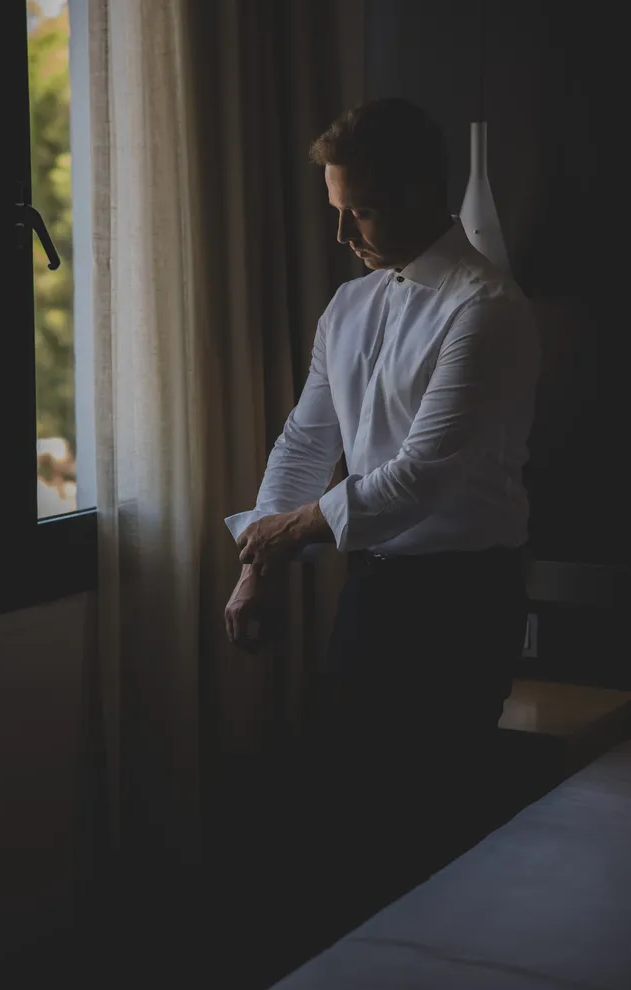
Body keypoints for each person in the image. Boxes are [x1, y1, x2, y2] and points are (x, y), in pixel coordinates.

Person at [223, 97, 541, 897]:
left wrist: (288, 532)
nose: (342, 236)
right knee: (346, 820)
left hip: (465, 602)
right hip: (373, 592)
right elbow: (304, 444)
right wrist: (256, 563)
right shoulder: (349, 305)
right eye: (337, 211)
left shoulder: (487, 309)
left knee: (434, 833)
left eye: (358, 212)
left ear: (419, 196)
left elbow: (419, 476)